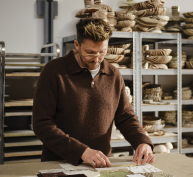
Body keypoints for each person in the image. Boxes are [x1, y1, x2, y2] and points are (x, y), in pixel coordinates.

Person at [33, 18, 155, 168]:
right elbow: (42, 124)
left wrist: (142, 141)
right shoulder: (54, 71)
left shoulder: (113, 74)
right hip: (59, 163)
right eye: (90, 53)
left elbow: (125, 117)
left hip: (100, 165)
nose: (97, 59)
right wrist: (81, 151)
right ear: (77, 45)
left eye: (102, 52)